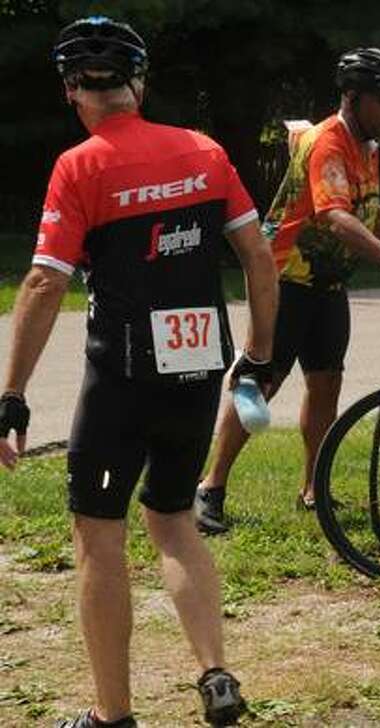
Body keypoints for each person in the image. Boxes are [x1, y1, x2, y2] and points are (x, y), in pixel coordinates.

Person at [0, 16, 278, 727]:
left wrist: (11, 397)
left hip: (120, 377)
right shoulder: (205, 152)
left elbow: (41, 283)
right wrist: (259, 356)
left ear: (72, 91)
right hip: (197, 369)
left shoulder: (81, 166)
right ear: (139, 82)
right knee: (174, 519)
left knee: (100, 534)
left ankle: (111, 716)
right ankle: (214, 670)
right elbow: (259, 258)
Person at [194, 47, 380, 534]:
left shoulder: (367, 148)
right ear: (354, 98)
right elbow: (336, 217)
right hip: (286, 280)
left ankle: (314, 488)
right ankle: (210, 487)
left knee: (326, 382)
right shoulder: (327, 143)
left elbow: (368, 211)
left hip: (328, 283)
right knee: (261, 384)